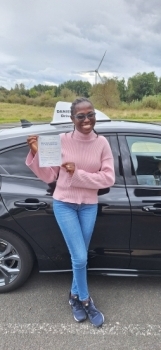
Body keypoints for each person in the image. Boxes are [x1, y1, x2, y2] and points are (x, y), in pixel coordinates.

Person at [26, 97, 115, 327]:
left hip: (88, 205)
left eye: (91, 114)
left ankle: (74, 296)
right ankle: (85, 300)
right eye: (81, 116)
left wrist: (77, 174)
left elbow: (108, 178)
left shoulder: (102, 143)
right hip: (64, 203)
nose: (87, 120)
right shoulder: (60, 140)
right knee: (81, 257)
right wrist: (36, 154)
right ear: (72, 118)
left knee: (80, 256)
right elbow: (50, 176)